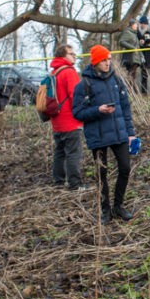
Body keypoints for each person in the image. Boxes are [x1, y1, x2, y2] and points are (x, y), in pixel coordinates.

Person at [71, 45, 137, 224]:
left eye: (108, 59)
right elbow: (77, 112)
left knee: (125, 168)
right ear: (95, 62)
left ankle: (118, 206)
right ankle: (105, 210)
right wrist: (97, 110)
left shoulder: (116, 79)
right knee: (102, 175)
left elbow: (125, 107)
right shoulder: (84, 84)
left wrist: (130, 133)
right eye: (103, 60)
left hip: (119, 132)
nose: (107, 63)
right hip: (98, 136)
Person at [47, 43, 84, 190]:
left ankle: (58, 181)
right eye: (71, 53)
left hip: (57, 121)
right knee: (73, 153)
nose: (74, 55)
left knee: (60, 152)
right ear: (63, 56)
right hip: (70, 121)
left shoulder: (53, 73)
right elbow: (76, 96)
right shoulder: (69, 72)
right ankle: (75, 184)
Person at [117, 19, 143, 89]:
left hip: (136, 57)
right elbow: (121, 42)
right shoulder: (127, 32)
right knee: (131, 76)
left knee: (132, 76)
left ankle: (131, 92)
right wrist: (132, 48)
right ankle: (131, 91)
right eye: (135, 24)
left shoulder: (135, 34)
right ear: (132, 25)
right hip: (130, 57)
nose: (137, 26)